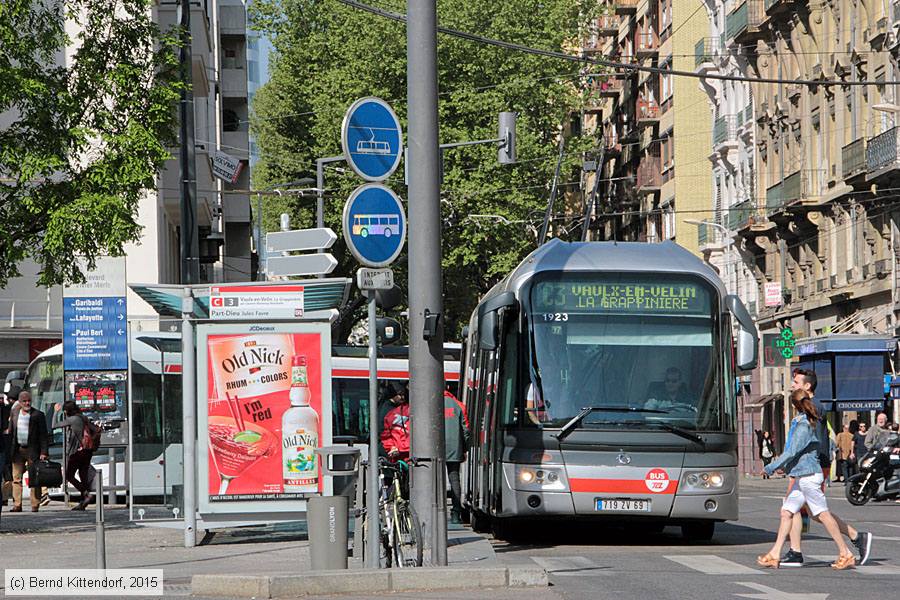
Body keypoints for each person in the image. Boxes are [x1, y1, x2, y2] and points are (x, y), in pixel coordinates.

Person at [776, 369, 871, 567]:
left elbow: (813, 442)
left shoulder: (814, 407)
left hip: (812, 466)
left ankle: (852, 538)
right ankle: (795, 551)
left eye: (796, 382)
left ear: (807, 386)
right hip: (807, 466)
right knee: (800, 510)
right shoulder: (810, 407)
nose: (792, 385)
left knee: (811, 512)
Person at [757, 390, 856, 570]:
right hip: (803, 476)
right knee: (786, 512)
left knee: (822, 514)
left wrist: (769, 467)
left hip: (809, 476)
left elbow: (791, 451)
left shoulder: (803, 425)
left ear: (794, 407)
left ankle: (846, 553)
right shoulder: (802, 422)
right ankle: (774, 554)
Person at [7, 391, 49, 512]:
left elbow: (43, 435)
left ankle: (35, 504)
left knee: (34, 478)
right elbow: (11, 431)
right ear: (19, 402)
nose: (27, 403)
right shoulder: (15, 413)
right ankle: (17, 504)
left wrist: (44, 452)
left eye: (29, 400)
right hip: (17, 450)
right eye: (24, 401)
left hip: (33, 450)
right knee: (16, 478)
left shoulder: (38, 415)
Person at [52, 401, 97, 510]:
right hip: (87, 451)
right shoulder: (83, 417)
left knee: (68, 475)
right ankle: (83, 502)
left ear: (66, 411)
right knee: (83, 476)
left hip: (77, 452)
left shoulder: (73, 419)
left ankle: (86, 494)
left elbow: (54, 425)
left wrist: (55, 412)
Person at [442, 389, 470, 525]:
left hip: (434, 450)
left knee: (436, 481)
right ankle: (455, 514)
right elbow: (466, 430)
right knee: (454, 480)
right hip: (455, 449)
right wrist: (464, 449)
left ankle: (437, 511)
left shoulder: (430, 403)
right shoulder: (458, 405)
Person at [380, 384, 410, 462]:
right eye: (400, 395)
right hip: (394, 451)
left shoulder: (387, 408)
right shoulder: (388, 411)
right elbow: (384, 432)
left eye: (404, 394)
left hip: (397, 449)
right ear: (393, 395)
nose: (403, 397)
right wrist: (391, 447)